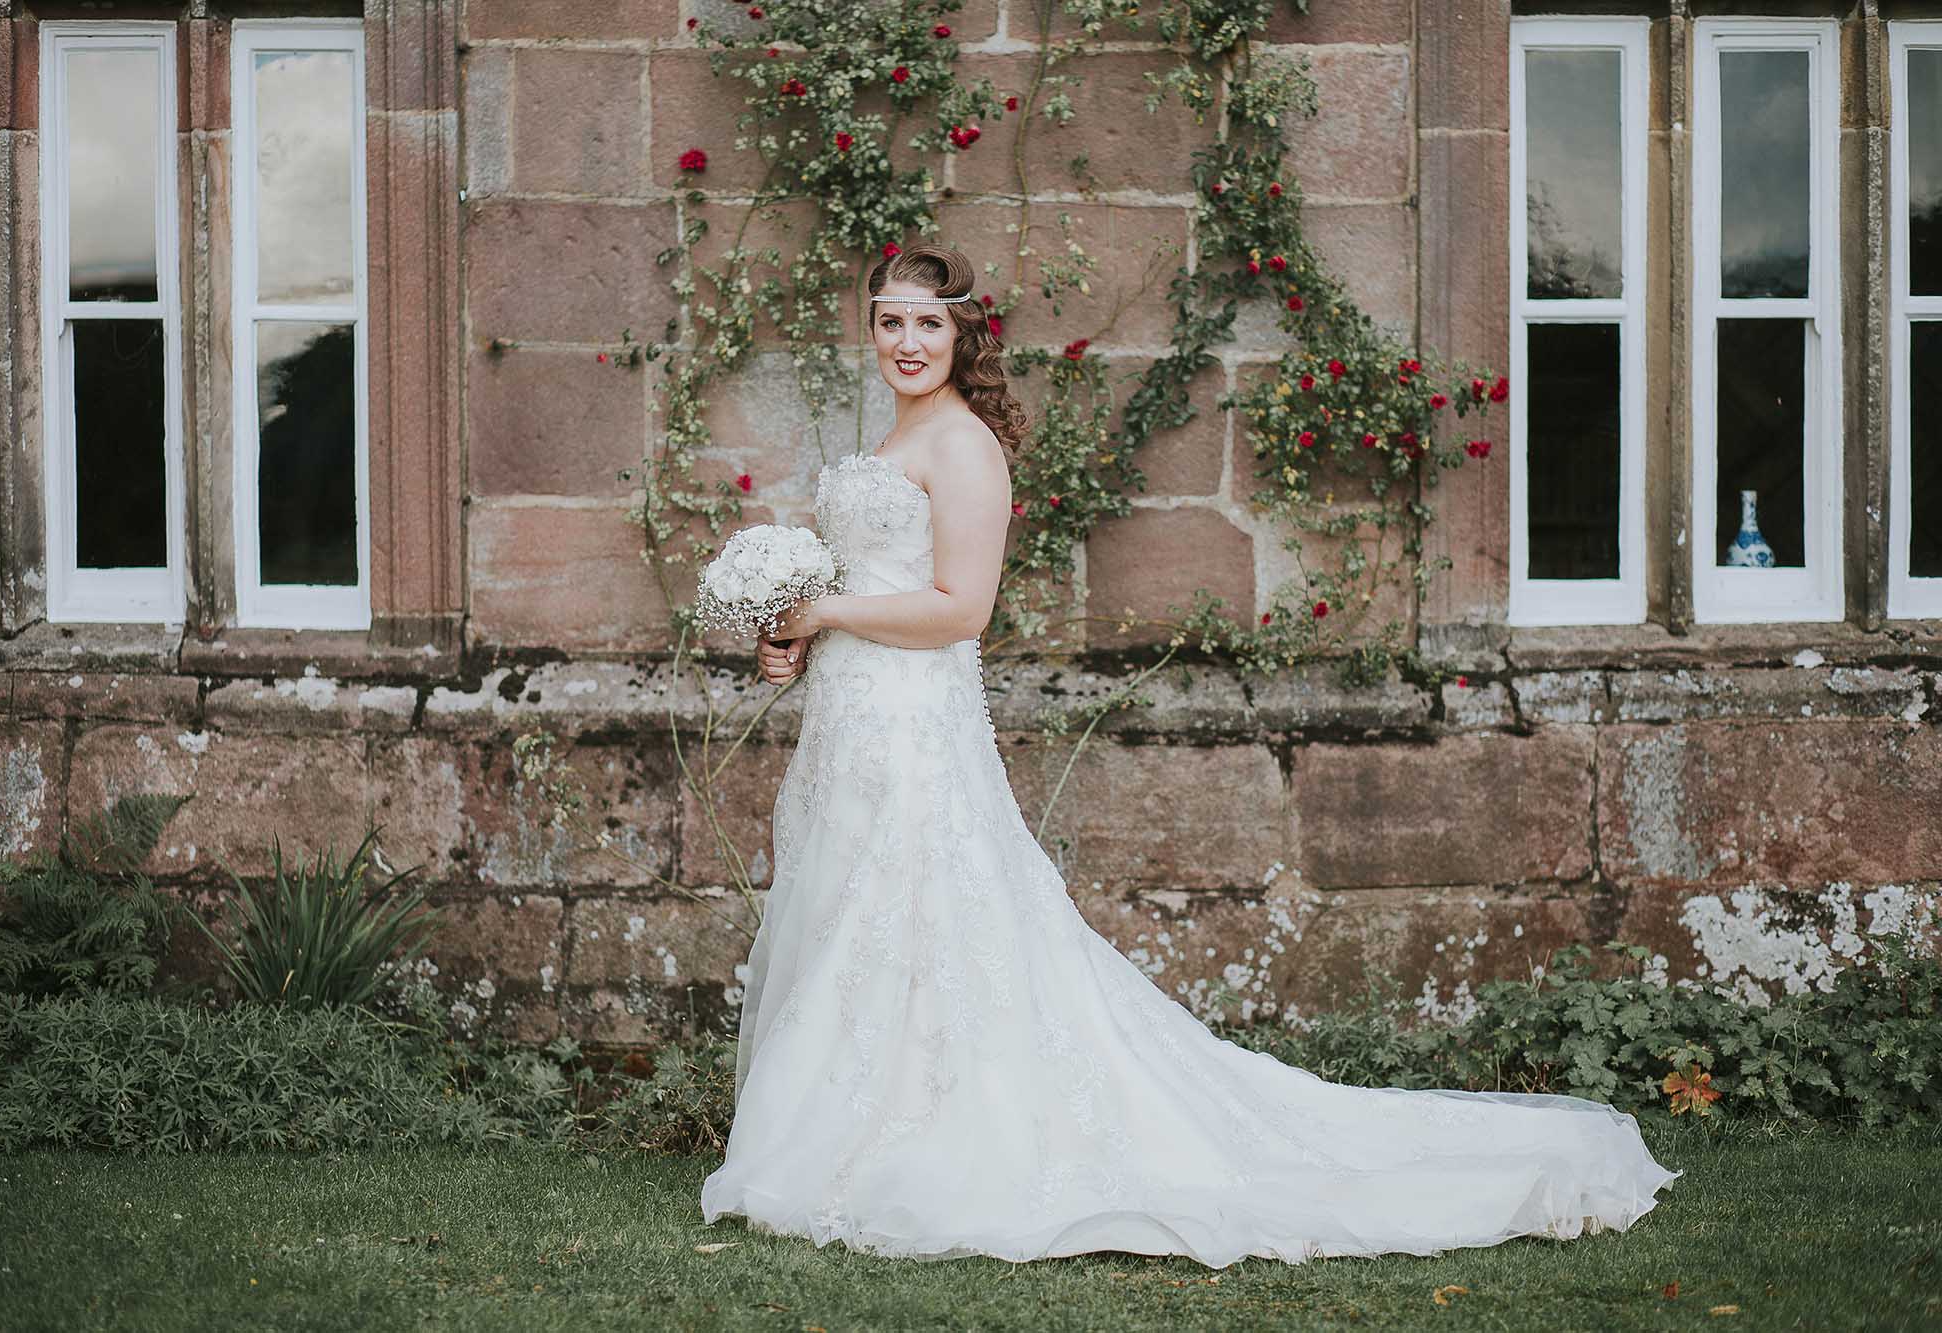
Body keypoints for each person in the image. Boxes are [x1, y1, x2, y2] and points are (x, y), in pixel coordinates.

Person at [697, 242, 1681, 1267]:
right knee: (859, 911)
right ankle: (855, 1126)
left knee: (919, 909)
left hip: (915, 729)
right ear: (870, 328)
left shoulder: (964, 447)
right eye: (890, 321)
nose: (906, 341)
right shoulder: (888, 440)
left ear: (963, 333)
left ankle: (927, 1138)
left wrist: (827, 605)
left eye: (927, 323)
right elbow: (874, 584)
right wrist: (797, 631)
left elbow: (960, 608)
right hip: (855, 719)